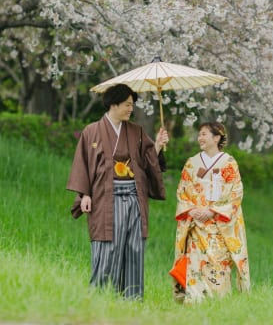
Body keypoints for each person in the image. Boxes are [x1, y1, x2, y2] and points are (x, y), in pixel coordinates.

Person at [66, 83, 169, 300]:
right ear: (113, 104)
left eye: (132, 105)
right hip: (105, 199)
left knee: (134, 248)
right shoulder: (92, 131)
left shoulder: (136, 131)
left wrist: (158, 145)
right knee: (107, 247)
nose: (131, 109)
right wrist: (84, 194)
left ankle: (132, 299)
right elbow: (83, 164)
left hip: (134, 197)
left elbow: (147, 161)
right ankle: (99, 297)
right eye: (127, 104)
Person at [170, 122, 250, 304]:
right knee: (195, 263)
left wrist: (213, 211)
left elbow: (235, 192)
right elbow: (182, 191)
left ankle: (219, 301)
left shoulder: (228, 163)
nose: (200, 138)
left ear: (217, 138)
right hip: (196, 223)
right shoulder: (192, 163)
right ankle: (194, 300)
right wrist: (193, 210)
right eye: (199, 134)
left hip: (218, 224)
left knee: (218, 263)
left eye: (204, 134)